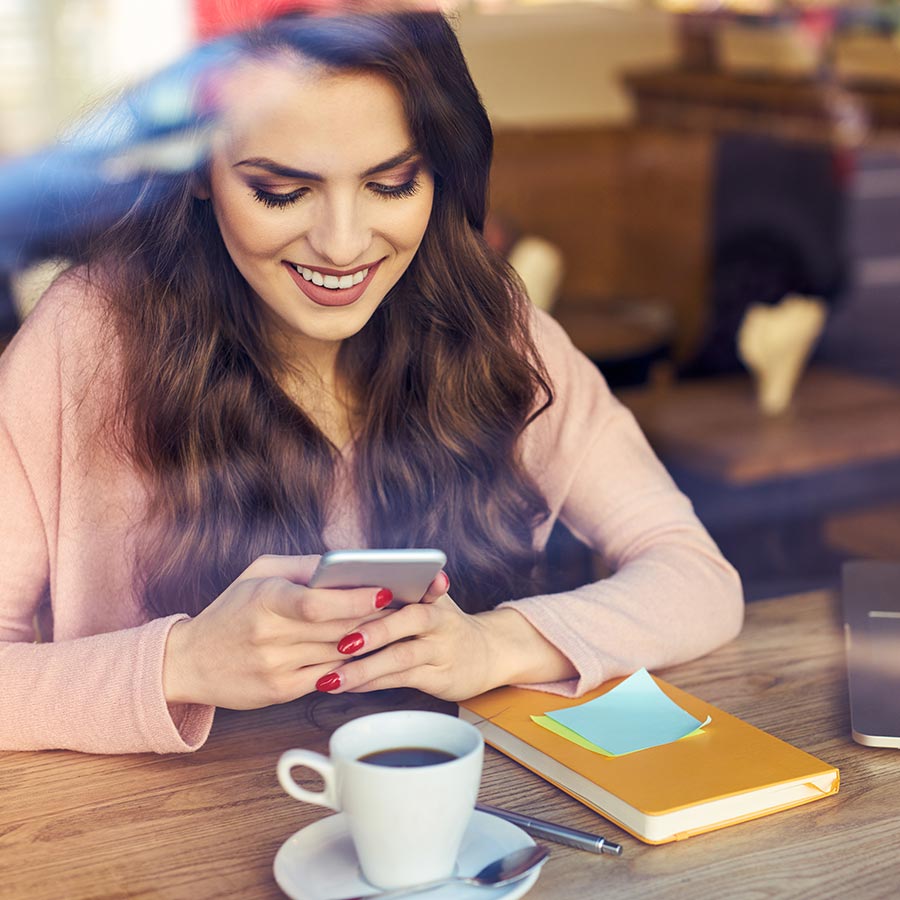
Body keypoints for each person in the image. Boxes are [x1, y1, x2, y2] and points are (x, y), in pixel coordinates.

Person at [0, 10, 743, 754]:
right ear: (200, 170)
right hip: (146, 852)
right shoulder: (86, 340)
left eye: (391, 184)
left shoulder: (493, 332)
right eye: (282, 191)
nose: (344, 245)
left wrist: (494, 646)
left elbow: (697, 579)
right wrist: (182, 663)